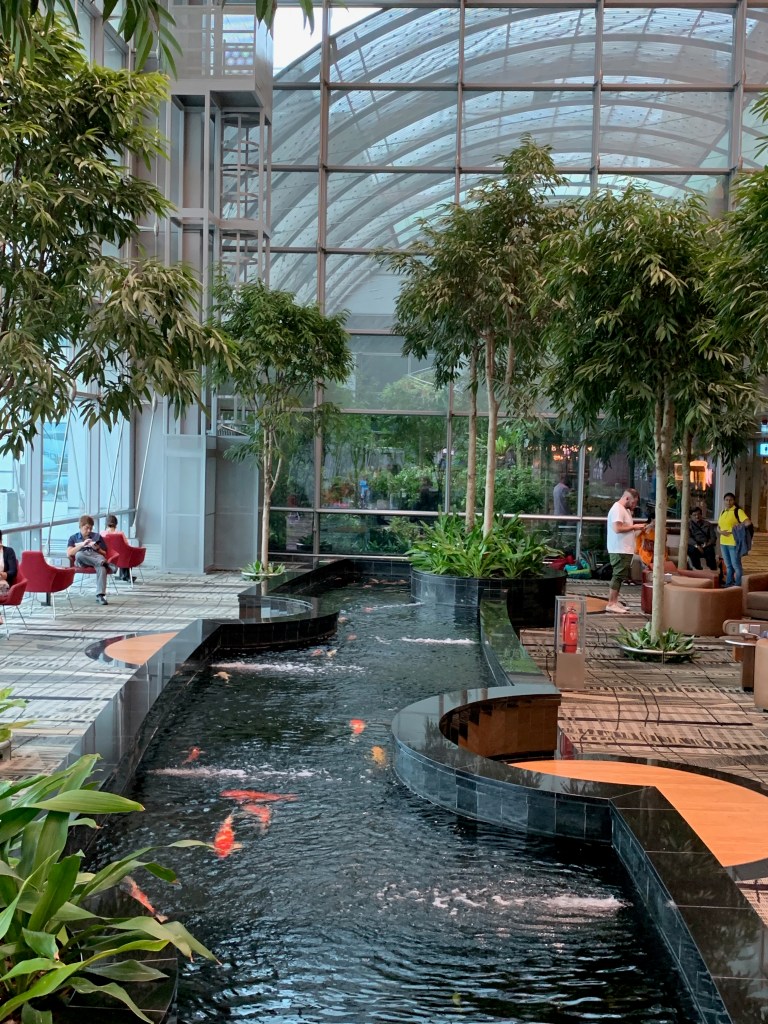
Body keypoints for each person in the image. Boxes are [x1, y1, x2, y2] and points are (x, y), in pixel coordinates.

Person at [605, 488, 646, 614]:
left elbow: (625, 528)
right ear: (627, 498)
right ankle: (611, 603)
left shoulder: (625, 510)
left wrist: (635, 528)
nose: (634, 505)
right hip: (619, 549)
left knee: (620, 576)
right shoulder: (617, 509)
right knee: (618, 575)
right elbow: (617, 528)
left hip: (624, 549)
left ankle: (615, 601)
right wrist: (634, 527)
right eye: (634, 502)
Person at [67, 515, 110, 605]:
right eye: (87, 528)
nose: (89, 530)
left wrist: (97, 548)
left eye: (90, 528)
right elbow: (69, 553)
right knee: (79, 554)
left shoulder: (97, 536)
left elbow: (104, 553)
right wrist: (82, 545)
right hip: (82, 560)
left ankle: (100, 596)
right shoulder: (73, 538)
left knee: (102, 568)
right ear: (81, 526)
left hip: (95, 557)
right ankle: (105, 563)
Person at [717, 492, 752, 587]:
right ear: (724, 501)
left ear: (734, 501)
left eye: (730, 500)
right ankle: (729, 584)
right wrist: (720, 531)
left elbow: (748, 522)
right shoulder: (723, 512)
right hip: (723, 542)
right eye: (726, 500)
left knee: (736, 565)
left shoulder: (738, 511)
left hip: (733, 542)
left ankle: (737, 585)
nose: (728, 502)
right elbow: (719, 526)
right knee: (728, 565)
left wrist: (737, 527)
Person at [103, 514, 135, 583]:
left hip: (108, 558)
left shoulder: (102, 533)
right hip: (121, 559)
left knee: (124, 554)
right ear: (116, 524)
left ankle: (125, 575)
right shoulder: (120, 534)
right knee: (127, 554)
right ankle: (126, 576)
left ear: (106, 523)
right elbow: (126, 545)